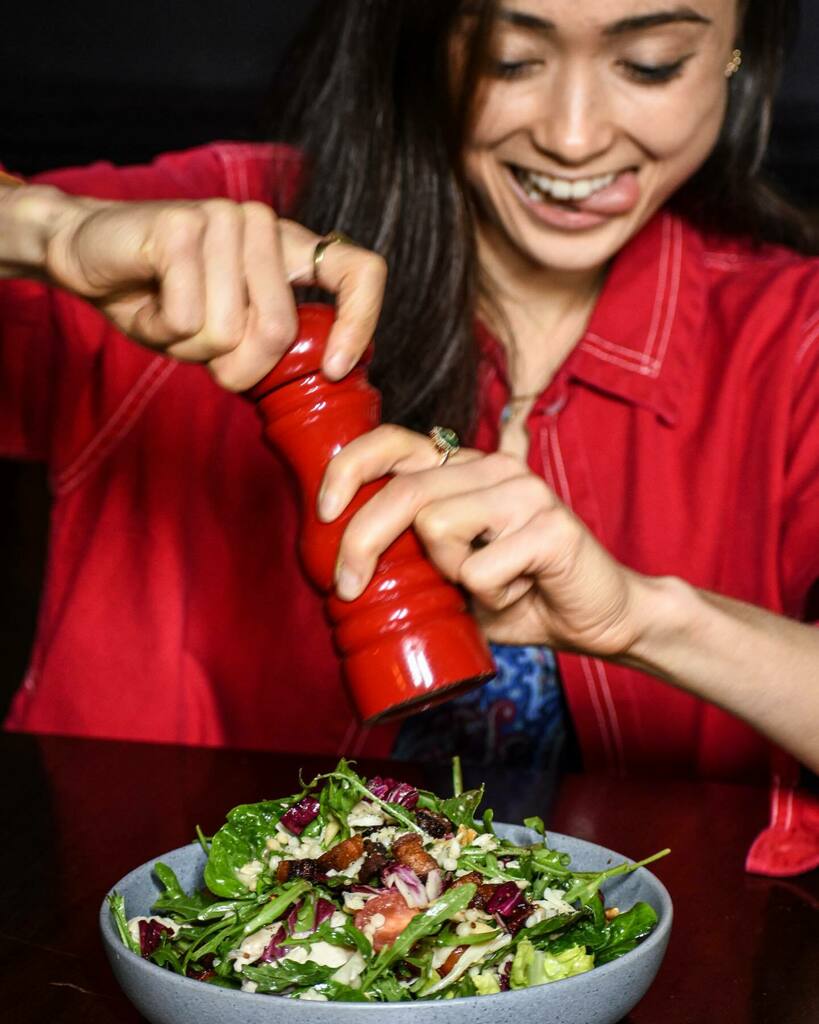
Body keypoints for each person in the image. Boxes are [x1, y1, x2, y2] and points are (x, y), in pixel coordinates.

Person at [0, 0, 817, 874]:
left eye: (650, 64)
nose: (574, 139)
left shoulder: (792, 335)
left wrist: (645, 618)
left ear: (739, 53)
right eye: (511, 61)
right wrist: (49, 232)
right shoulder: (207, 243)